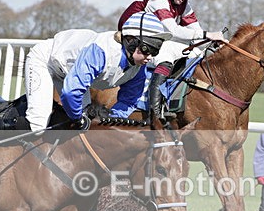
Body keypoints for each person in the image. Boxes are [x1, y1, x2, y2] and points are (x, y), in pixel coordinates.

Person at [115, 0, 227, 121]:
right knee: (166, 54)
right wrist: (207, 34)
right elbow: (172, 30)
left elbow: (195, 29)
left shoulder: (183, 3)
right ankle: (154, 113)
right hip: (132, 41)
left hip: (152, 38)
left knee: (197, 51)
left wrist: (213, 41)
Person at [23, 11, 172, 131]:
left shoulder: (139, 68)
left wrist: (112, 121)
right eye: (148, 49)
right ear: (131, 42)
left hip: (70, 74)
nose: (150, 57)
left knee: (87, 127)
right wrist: (77, 118)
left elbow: (129, 100)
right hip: (45, 61)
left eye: (155, 51)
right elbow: (71, 92)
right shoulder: (100, 52)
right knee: (39, 123)